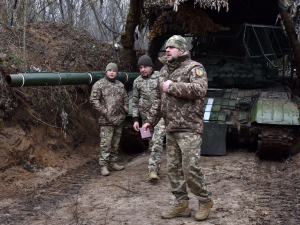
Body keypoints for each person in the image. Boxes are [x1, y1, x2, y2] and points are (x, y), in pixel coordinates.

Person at [142, 35, 213, 221]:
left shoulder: (195, 68)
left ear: (181, 50)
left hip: (189, 128)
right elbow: (159, 99)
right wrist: (150, 120)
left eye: (172, 47)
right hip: (171, 128)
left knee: (190, 168)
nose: (167, 50)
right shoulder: (164, 71)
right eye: (166, 47)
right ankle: (181, 204)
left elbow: (200, 90)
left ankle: (205, 200)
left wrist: (172, 87)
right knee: (173, 169)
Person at [90, 62, 128, 176]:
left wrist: (125, 110)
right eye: (110, 70)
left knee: (115, 144)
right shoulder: (99, 84)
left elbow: (126, 98)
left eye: (114, 71)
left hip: (119, 119)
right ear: (106, 71)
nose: (112, 72)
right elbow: (93, 100)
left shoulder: (120, 85)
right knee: (105, 144)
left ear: (116, 72)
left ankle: (113, 162)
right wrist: (104, 112)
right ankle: (103, 166)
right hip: (106, 121)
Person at [132, 55, 166, 181]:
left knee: (157, 141)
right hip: (145, 119)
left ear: (151, 67)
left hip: (160, 116)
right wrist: (136, 119)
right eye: (140, 67)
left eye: (145, 67)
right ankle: (156, 166)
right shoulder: (137, 82)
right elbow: (135, 102)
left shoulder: (160, 77)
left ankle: (152, 170)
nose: (143, 70)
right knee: (151, 144)